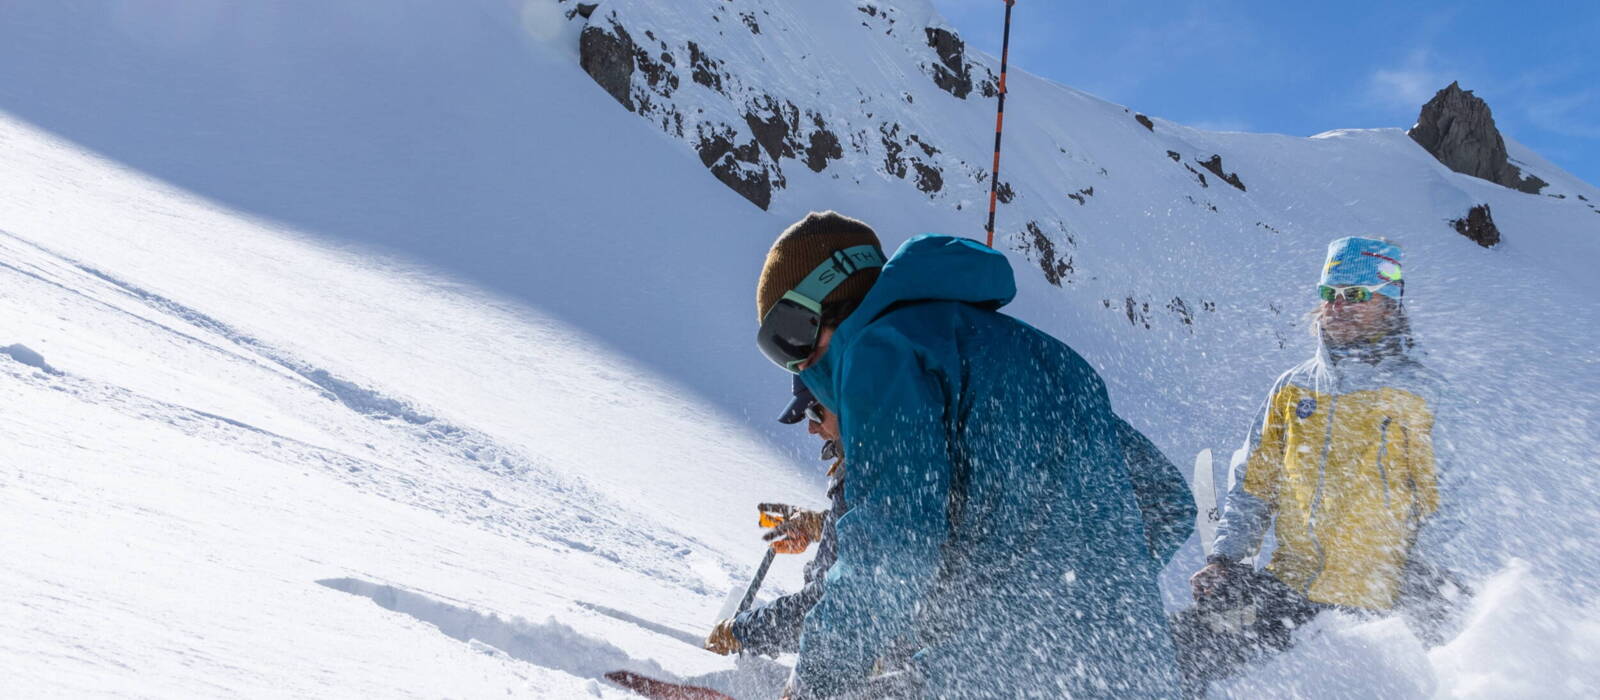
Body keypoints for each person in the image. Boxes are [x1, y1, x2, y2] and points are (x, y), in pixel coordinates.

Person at [753, 211, 1181, 698]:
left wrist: (818, 679)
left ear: (827, 301)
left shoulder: (880, 351)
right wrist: (1085, 598)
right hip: (1135, 670)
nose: (797, 364)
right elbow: (1167, 501)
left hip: (1012, 679)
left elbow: (895, 542)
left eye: (788, 336)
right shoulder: (1039, 351)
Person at [1176, 237, 1467, 696]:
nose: (1338, 305)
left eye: (1356, 294)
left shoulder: (1421, 395)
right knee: (1177, 650)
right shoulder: (1294, 387)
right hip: (1289, 587)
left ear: (1390, 304)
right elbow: (1254, 483)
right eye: (1330, 294)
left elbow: (1451, 504)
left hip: (1379, 603)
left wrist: (1430, 579)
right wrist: (1225, 560)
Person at [704, 377, 849, 657]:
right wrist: (822, 525)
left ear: (845, 402)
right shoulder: (884, 456)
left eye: (814, 411)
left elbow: (828, 609)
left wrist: (741, 632)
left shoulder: (867, 467)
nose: (810, 427)